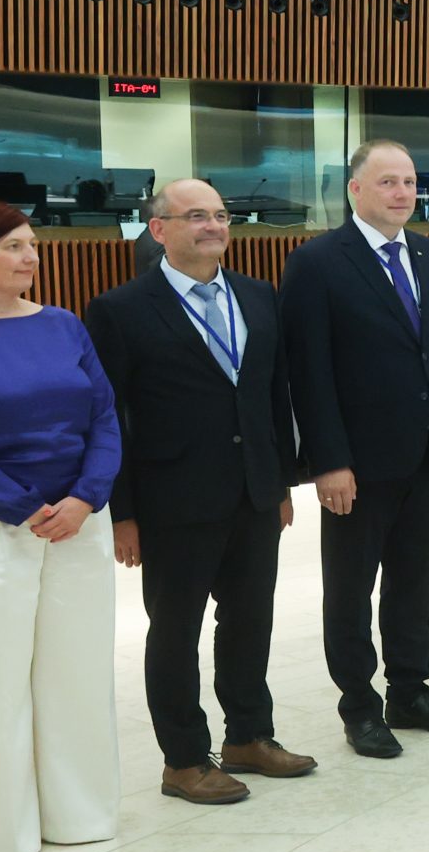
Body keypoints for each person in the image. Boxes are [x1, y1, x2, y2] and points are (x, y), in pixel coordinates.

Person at [87, 181, 307, 805]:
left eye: (220, 215)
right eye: (196, 216)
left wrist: (281, 481)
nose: (213, 226)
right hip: (172, 501)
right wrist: (122, 513)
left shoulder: (258, 296)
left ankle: (249, 737)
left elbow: (274, 396)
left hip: (254, 492)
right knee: (175, 631)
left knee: (250, 621)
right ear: (159, 230)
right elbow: (109, 417)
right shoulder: (120, 309)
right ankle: (183, 760)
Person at [0, 202, 120, 852]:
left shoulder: (64, 324)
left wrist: (85, 497)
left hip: (77, 522)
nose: (30, 257)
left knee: (78, 671)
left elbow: (104, 417)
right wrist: (23, 508)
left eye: (32, 244)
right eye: (13, 246)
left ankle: (80, 815)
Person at [281, 140, 429, 758]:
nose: (402, 193)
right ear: (355, 190)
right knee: (350, 590)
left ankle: (410, 692)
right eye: (388, 181)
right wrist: (328, 461)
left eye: (410, 182)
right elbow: (308, 372)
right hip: (357, 464)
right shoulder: (317, 262)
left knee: (414, 583)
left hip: (425, 452)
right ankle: (359, 707)